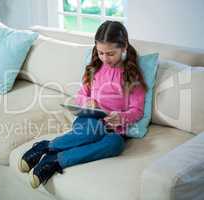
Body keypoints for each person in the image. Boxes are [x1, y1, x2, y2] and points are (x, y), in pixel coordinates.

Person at [18, 21, 147, 189]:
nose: (105, 58)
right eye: (100, 53)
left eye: (110, 54)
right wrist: (87, 102)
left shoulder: (132, 76)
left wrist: (121, 117)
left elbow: (137, 110)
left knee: (115, 144)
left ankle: (56, 159)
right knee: (93, 131)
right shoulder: (95, 69)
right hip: (89, 120)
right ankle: (46, 146)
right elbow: (81, 95)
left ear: (124, 48)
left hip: (114, 128)